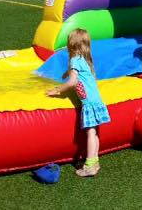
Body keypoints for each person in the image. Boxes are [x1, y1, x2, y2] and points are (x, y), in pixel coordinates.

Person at [45, 29, 110, 177]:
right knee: (94, 132)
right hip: (97, 100)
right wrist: (67, 73)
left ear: (71, 44)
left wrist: (57, 90)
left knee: (90, 133)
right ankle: (95, 162)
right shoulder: (84, 60)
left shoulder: (75, 60)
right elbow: (77, 75)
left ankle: (89, 166)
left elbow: (73, 82)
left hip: (89, 103)